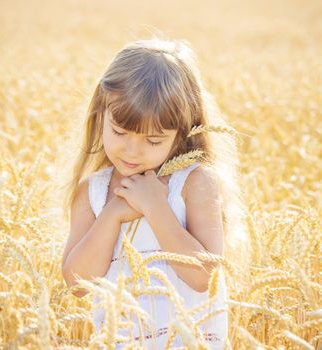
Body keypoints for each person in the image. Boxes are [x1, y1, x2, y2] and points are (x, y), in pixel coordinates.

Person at [60, 37, 249, 349]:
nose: (133, 151)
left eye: (154, 140)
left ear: (183, 131)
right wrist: (112, 214)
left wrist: (155, 207)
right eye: (120, 132)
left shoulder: (193, 184)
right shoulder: (92, 192)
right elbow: (77, 283)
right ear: (100, 113)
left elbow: (205, 277)